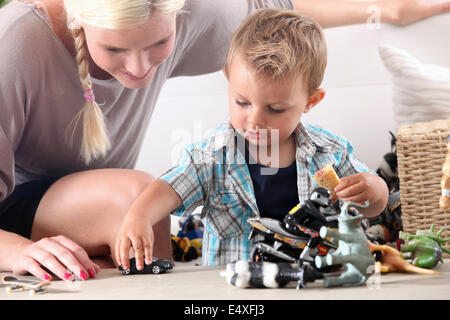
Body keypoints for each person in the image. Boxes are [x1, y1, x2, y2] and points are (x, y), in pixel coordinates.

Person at [0, 0, 447, 281]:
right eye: (115, 49)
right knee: (135, 200)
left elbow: (276, 9)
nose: (138, 68)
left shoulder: (327, 150)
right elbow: (170, 187)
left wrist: (386, 8)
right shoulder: (16, 42)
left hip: (305, 270)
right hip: (13, 214)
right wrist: (20, 250)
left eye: (157, 43)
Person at [115, 8, 389, 269]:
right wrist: (138, 217)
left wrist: (375, 191)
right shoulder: (212, 158)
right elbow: (169, 188)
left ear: (311, 100)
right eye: (242, 102)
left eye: (275, 109)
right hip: (235, 287)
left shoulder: (330, 152)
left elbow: (373, 203)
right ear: (228, 79)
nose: (256, 119)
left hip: (314, 281)